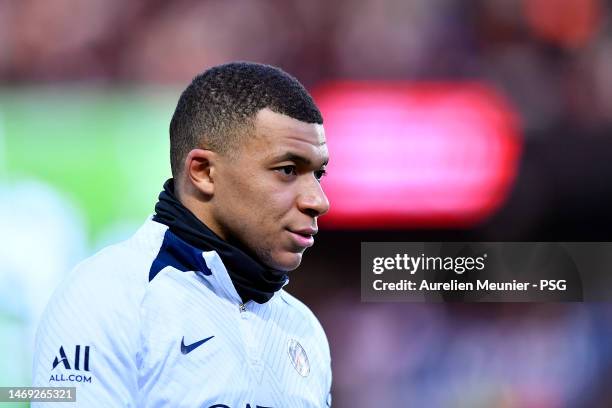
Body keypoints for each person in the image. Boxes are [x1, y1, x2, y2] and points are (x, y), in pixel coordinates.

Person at [32, 62, 332, 407]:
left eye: (318, 174)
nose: (318, 201)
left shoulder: (303, 328)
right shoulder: (106, 296)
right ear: (203, 172)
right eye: (288, 170)